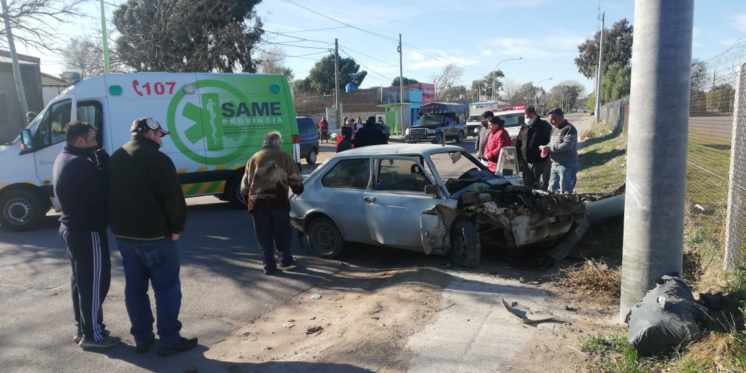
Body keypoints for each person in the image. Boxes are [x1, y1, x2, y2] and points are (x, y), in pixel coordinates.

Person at [109, 117, 197, 356]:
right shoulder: (158, 160)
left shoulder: (116, 157)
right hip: (156, 237)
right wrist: (177, 228)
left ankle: (142, 338)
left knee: (135, 289)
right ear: (148, 132)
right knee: (167, 289)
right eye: (159, 134)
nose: (161, 139)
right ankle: (169, 339)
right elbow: (173, 199)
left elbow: (107, 196)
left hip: (125, 237)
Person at [53, 122, 120, 350]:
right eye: (93, 139)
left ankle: (84, 329)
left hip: (74, 229)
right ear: (80, 141)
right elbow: (106, 189)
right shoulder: (80, 165)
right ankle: (93, 336)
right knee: (94, 284)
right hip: (87, 231)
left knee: (81, 283)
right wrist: (105, 164)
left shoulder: (65, 157)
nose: (96, 143)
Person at [241, 131, 304, 275]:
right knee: (282, 233)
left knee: (264, 235)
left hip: (258, 203)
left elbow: (245, 185)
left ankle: (269, 265)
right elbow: (295, 179)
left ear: (265, 143)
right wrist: (297, 188)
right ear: (278, 143)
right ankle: (285, 260)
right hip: (278, 202)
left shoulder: (254, 158)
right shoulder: (284, 157)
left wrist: (248, 201)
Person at [542, 108, 580, 194]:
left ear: (561, 117)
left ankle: (568, 206)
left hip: (567, 165)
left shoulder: (569, 129)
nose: (551, 121)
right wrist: (546, 147)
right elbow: (552, 142)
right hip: (555, 164)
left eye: (553, 119)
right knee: (551, 190)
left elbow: (567, 146)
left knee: (565, 191)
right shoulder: (554, 129)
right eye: (550, 119)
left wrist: (550, 148)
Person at [515, 106, 552, 189]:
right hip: (525, 162)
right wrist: (518, 158)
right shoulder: (524, 126)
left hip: (539, 161)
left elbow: (551, 141)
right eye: (525, 116)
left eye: (529, 116)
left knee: (540, 185)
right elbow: (519, 142)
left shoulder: (544, 125)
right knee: (527, 184)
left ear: (534, 114)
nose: (527, 118)